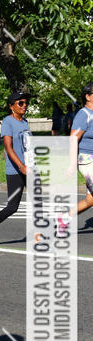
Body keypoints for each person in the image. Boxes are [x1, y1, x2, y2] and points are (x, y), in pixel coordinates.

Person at [0, 92, 32, 249]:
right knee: (12, 207)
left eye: (26, 103)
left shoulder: (25, 122)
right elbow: (8, 148)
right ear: (12, 106)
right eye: (20, 103)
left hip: (28, 169)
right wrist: (21, 166)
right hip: (15, 170)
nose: (24, 106)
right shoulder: (8, 122)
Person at [57, 82, 93, 235]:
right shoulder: (83, 114)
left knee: (90, 200)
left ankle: (64, 218)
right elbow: (72, 139)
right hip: (86, 160)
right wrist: (72, 165)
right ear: (88, 96)